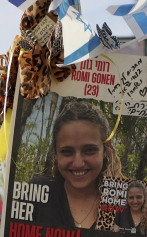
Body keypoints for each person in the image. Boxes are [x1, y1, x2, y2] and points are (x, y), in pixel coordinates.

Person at [30, 99, 121, 230]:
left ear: (106, 150)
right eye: (67, 152)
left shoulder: (125, 202)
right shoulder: (36, 193)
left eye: (89, 150)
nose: (78, 163)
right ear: (56, 153)